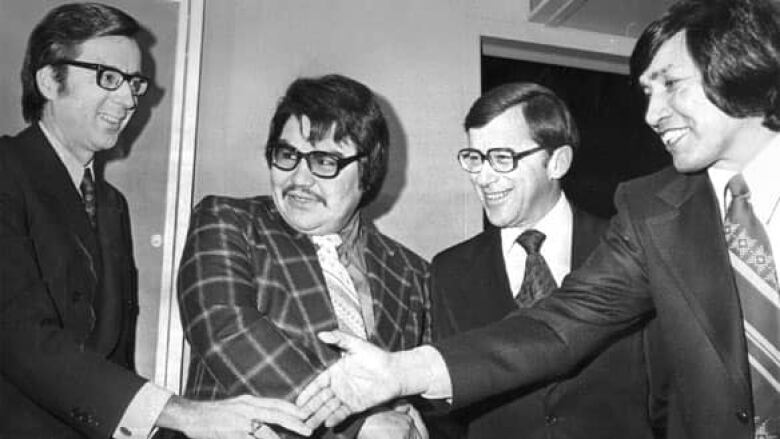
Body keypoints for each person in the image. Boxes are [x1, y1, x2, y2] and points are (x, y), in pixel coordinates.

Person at [296, 0, 780, 437]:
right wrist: (404, 372)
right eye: (647, 92)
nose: (652, 114)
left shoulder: (623, 217)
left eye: (671, 84)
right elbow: (558, 325)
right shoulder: (653, 212)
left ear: (736, 63)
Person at [0, 3, 312, 439]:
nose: (128, 98)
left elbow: (116, 367)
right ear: (50, 80)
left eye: (134, 83)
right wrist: (187, 415)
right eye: (109, 77)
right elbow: (21, 339)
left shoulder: (111, 204)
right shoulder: (7, 171)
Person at [173, 74, 430, 438]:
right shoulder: (228, 221)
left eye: (324, 161)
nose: (299, 178)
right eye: (287, 155)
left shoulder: (413, 273)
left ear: (368, 172)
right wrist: (356, 423)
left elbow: (432, 390)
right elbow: (225, 329)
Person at [426, 82, 656, 439]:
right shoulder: (449, 270)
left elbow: (667, 391)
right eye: (474, 158)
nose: (482, 178)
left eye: (502, 158)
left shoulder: (630, 247)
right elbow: (449, 418)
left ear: (558, 162)